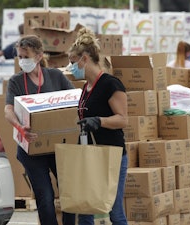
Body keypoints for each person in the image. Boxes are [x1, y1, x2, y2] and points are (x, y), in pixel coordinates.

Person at [4, 34, 75, 225]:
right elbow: (8, 110)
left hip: (57, 147)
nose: (22, 61)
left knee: (69, 192)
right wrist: (19, 127)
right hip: (31, 148)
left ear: (39, 55)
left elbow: (74, 102)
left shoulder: (56, 76)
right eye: (20, 56)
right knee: (45, 197)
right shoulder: (16, 81)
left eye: (26, 56)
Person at [65, 27, 129, 225]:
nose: (71, 67)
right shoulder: (86, 87)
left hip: (111, 154)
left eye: (73, 62)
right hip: (90, 154)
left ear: (85, 59)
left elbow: (123, 119)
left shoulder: (110, 84)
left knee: (114, 210)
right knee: (86, 208)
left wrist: (99, 121)